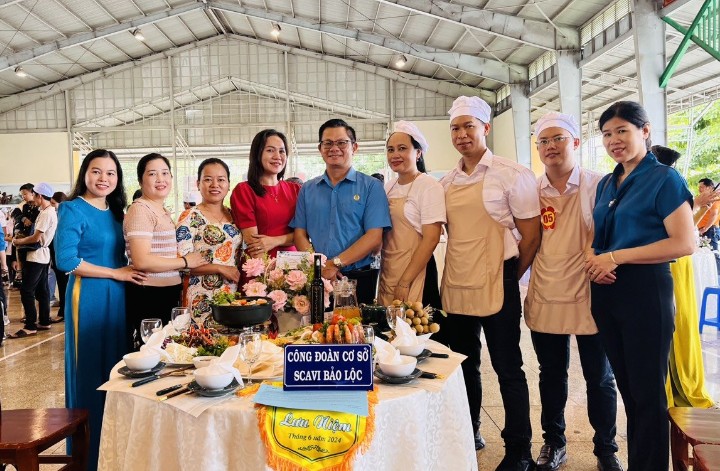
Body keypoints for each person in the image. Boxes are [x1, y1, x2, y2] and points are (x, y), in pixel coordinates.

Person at [585, 101, 695, 471]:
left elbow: (684, 242)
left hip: (645, 290)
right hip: (606, 289)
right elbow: (597, 237)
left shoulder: (664, 178)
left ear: (644, 132)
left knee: (648, 394)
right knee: (630, 394)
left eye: (622, 131)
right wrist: (595, 261)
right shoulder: (606, 181)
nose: (614, 140)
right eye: (606, 134)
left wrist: (616, 258)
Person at [436, 96, 540, 469]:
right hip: (459, 281)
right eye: (455, 128)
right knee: (464, 364)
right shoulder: (445, 182)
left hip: (499, 281)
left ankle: (518, 450)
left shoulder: (513, 174)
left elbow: (531, 235)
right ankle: (470, 430)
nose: (462, 135)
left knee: (509, 367)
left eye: (469, 126)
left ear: (485, 129)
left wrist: (508, 272)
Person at [524, 112, 620, 471]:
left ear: (575, 143)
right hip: (548, 288)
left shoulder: (599, 184)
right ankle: (553, 442)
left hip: (591, 290)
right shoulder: (531, 190)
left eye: (557, 139)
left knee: (600, 376)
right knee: (551, 372)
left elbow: (616, 231)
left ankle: (606, 449)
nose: (550, 147)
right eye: (543, 141)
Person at [55, 149, 147, 470]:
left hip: (119, 295)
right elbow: (66, 260)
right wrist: (114, 273)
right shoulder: (71, 209)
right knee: (90, 371)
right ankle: (88, 455)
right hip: (89, 295)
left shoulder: (117, 212)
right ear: (85, 173)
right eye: (97, 171)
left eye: (110, 173)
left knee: (115, 370)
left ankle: (114, 449)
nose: (103, 179)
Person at [291, 119, 391, 305]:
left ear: (354, 147)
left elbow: (374, 237)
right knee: (316, 331)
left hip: (360, 277)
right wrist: (319, 267)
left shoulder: (371, 187)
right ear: (320, 148)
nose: (334, 148)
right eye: (327, 143)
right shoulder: (308, 189)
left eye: (341, 143)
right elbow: (299, 234)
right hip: (318, 278)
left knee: (359, 331)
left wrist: (335, 264)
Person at [651, 145, 715, 409]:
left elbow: (687, 226)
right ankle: (669, 380)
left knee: (681, 318)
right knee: (671, 319)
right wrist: (696, 204)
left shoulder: (669, 183)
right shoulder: (660, 185)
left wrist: (698, 206)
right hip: (668, 261)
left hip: (679, 262)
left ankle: (681, 379)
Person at [124, 153, 208, 350]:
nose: (160, 179)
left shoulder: (160, 210)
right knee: (152, 353)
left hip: (166, 292)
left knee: (167, 351)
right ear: (140, 180)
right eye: (152, 174)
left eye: (165, 173)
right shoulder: (141, 210)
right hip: (149, 294)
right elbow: (141, 260)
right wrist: (186, 262)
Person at [377, 121, 445, 309]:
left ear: (418, 153)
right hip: (389, 268)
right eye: (390, 150)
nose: (395, 155)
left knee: (416, 330)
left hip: (415, 272)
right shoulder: (388, 186)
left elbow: (431, 238)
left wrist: (405, 281)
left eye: (402, 148)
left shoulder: (429, 186)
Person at [177, 158, 242, 319]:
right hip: (201, 297)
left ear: (228, 184)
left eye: (221, 180)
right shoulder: (189, 217)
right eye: (208, 179)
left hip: (232, 296)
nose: (215, 185)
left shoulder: (236, 216)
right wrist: (219, 268)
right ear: (198, 183)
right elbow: (182, 263)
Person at [231, 129, 301, 259]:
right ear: (257, 154)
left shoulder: (296, 190)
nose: (277, 156)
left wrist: (275, 240)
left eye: (282, 151)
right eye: (270, 150)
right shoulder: (244, 190)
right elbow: (254, 245)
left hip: (296, 266)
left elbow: (305, 234)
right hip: (261, 266)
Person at [7, 183, 58, 338]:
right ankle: (44, 320)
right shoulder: (48, 211)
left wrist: (18, 241)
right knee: (42, 290)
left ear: (39, 196)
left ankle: (30, 325)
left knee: (27, 290)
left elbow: (36, 238)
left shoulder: (46, 213)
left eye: (33, 195)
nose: (31, 200)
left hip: (36, 257)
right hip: (42, 256)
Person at [49, 192, 68, 323]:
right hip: (56, 257)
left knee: (64, 286)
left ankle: (64, 312)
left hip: (63, 258)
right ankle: (63, 311)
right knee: (62, 286)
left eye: (54, 204)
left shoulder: (64, 217)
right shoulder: (56, 216)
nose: (52, 206)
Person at [697, 178, 719, 250]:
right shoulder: (705, 199)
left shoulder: (713, 197)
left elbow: (714, 214)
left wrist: (705, 228)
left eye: (701, 187)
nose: (699, 189)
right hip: (703, 229)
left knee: (712, 254)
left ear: (709, 188)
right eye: (699, 187)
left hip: (710, 230)